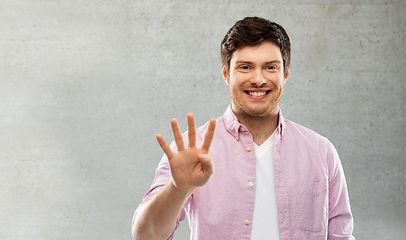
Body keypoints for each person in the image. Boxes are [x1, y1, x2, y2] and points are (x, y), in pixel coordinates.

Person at [131, 16, 355, 240]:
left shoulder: (321, 152)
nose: (258, 80)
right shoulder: (194, 149)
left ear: (285, 74)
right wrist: (178, 188)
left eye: (270, 67)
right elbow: (145, 235)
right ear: (226, 74)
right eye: (245, 67)